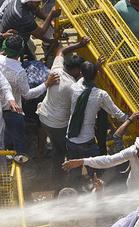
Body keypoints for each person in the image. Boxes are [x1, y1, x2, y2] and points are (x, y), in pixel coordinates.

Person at [66, 59, 131, 186]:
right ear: (96, 75)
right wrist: (130, 118)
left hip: (70, 139)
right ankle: (95, 189)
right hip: (87, 142)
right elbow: (117, 113)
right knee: (95, 170)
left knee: (74, 168)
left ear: (81, 73)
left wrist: (94, 68)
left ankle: (75, 189)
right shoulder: (101, 95)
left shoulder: (74, 88)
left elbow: (84, 78)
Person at [0, 34, 59, 163]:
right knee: (18, 139)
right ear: (20, 51)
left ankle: (3, 158)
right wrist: (47, 83)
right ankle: (20, 163)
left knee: (2, 134)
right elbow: (27, 95)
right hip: (13, 108)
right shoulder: (19, 71)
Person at [37, 37, 90, 188]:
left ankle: (56, 177)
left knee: (56, 149)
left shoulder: (57, 69)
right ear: (75, 70)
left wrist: (79, 45)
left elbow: (61, 50)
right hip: (58, 124)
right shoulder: (72, 86)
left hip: (44, 117)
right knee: (67, 151)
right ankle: (66, 182)